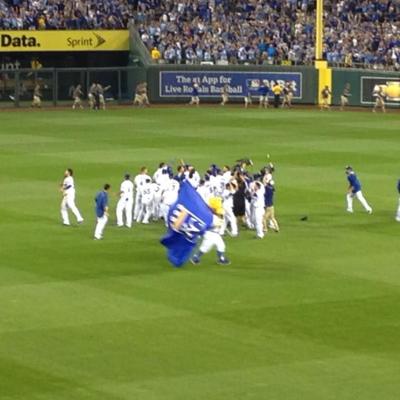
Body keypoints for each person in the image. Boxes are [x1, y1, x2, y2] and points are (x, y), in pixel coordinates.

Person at [190, 197, 230, 265]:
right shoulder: (210, 216)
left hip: (215, 234)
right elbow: (207, 226)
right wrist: (216, 225)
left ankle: (221, 259)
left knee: (221, 245)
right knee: (205, 247)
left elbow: (221, 214)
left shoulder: (217, 213)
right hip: (210, 234)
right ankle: (195, 257)